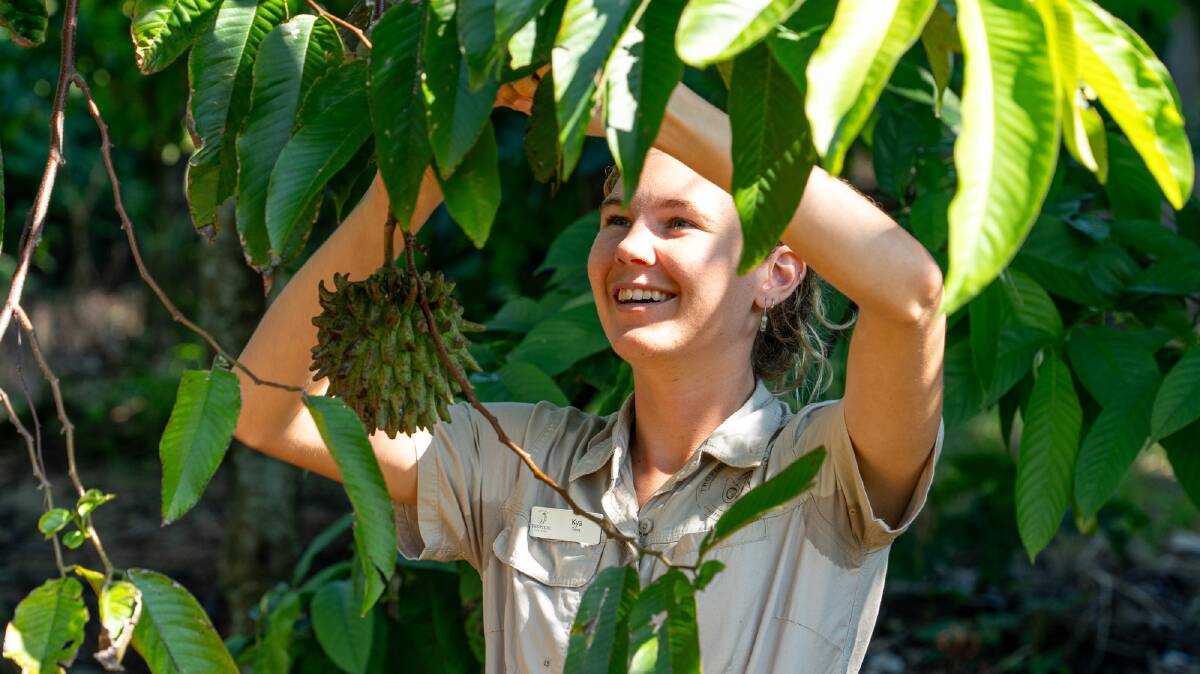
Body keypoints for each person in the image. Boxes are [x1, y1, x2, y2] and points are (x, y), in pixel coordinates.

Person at [234, 72, 945, 673]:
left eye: (677, 224)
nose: (631, 246)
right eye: (614, 218)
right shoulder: (517, 463)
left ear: (778, 270)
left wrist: (631, 94)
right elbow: (271, 407)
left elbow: (910, 296)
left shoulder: (823, 476)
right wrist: (409, 187)